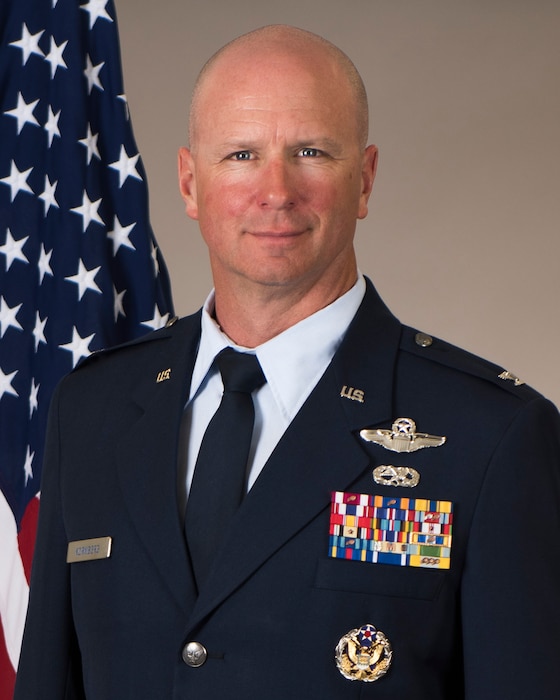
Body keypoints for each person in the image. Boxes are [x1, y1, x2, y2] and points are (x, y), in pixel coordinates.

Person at [15, 24, 560, 700]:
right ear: (190, 183)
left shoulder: (491, 436)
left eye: (310, 151)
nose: (276, 191)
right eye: (241, 154)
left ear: (363, 180)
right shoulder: (92, 407)